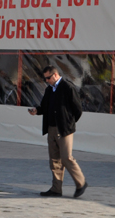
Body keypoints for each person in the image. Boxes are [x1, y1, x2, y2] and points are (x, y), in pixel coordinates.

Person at [28, 65, 88, 198]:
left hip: (64, 129)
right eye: (45, 78)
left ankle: (81, 183)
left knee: (66, 158)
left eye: (48, 78)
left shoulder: (68, 87)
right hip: (51, 128)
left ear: (55, 75)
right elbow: (44, 107)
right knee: (54, 160)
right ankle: (56, 189)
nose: (46, 80)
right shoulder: (49, 89)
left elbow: (78, 109)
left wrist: (68, 123)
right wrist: (37, 111)